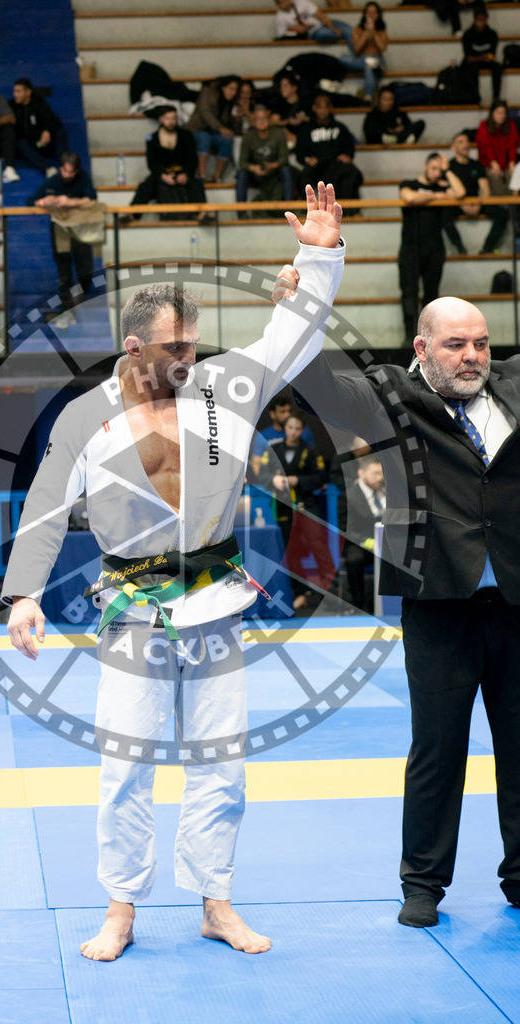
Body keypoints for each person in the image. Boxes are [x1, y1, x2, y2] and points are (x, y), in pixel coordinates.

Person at [2, 183, 345, 961]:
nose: (189, 358)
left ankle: (215, 902)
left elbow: (290, 340)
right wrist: (23, 592)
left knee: (221, 763)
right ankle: (120, 910)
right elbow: (48, 502)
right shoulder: (86, 415)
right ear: (133, 348)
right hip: (130, 603)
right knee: (124, 763)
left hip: (217, 597)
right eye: (174, 349)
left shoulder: (223, 389)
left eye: (193, 345)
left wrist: (317, 257)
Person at [287, 278, 520, 927]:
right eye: (455, 345)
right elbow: (316, 377)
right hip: (437, 597)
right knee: (436, 748)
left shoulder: (512, 383)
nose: (471, 355)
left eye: (479, 343)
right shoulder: (392, 395)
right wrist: (306, 294)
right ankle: (422, 885)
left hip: (515, 595)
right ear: (422, 347)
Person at [258, 412, 335, 609]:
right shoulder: (273, 450)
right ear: (285, 428)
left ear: (302, 431)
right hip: (283, 507)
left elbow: (320, 478)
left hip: (306, 505)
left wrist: (297, 481)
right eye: (290, 427)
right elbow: (263, 476)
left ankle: (331, 592)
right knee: (289, 551)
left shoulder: (310, 451)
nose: (293, 432)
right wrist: (273, 480)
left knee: (318, 546)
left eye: (297, 429)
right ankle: (300, 593)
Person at [398, 152, 465, 342]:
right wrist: (438, 195)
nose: (436, 173)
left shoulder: (443, 184)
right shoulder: (409, 183)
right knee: (409, 294)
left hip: (435, 248)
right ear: (425, 166)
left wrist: (448, 169)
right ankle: (408, 339)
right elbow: (409, 198)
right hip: (410, 248)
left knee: (432, 296)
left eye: (439, 169)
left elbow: (460, 193)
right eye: (434, 168)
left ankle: (429, 339)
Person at [28, 151, 98, 330]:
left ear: (76, 171)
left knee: (86, 268)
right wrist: (43, 202)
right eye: (65, 171)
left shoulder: (83, 177)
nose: (68, 175)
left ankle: (80, 298)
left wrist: (69, 201)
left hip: (80, 229)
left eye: (71, 172)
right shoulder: (52, 181)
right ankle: (67, 310)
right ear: (60, 169)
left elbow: (92, 199)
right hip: (59, 230)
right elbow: (31, 200)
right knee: (64, 272)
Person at [125, 106, 207, 221]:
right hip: (162, 173)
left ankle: (203, 213)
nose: (171, 122)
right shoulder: (153, 138)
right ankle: (132, 214)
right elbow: (152, 163)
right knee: (146, 185)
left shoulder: (186, 135)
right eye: (168, 119)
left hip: (183, 172)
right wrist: (163, 175)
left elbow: (192, 159)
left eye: (173, 118)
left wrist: (186, 174)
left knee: (196, 183)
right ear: (161, 119)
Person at [443, 131, 508, 255]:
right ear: (453, 147)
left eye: (467, 142)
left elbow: (485, 190)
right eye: (461, 142)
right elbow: (446, 190)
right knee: (444, 215)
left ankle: (487, 248)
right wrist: (462, 204)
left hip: (476, 202)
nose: (465, 145)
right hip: (457, 203)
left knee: (503, 213)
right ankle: (460, 248)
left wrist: (479, 203)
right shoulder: (449, 167)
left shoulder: (477, 165)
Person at [294, 93, 363, 209]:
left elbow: (349, 148)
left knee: (350, 173)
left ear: (330, 108)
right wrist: (307, 159)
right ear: (314, 108)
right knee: (304, 177)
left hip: (335, 166)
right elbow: (299, 153)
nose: (323, 111)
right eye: (320, 107)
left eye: (326, 107)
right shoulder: (306, 129)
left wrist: (347, 156)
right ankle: (306, 210)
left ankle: (349, 210)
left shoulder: (340, 128)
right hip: (315, 167)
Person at [337, 455, 384, 613]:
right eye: (375, 473)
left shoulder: (387, 492)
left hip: (387, 543)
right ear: (361, 474)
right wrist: (370, 542)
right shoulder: (348, 496)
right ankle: (359, 604)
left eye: (381, 473)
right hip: (361, 544)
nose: (380, 477)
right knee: (354, 559)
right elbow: (346, 530)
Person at [236, 105, 294, 214]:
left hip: (274, 169)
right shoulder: (248, 136)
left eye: (264, 118)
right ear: (253, 121)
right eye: (258, 118)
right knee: (241, 174)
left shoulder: (279, 133)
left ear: (269, 119)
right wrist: (254, 168)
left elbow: (284, 158)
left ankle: (289, 208)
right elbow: (242, 162)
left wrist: (271, 166)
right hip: (255, 171)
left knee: (286, 170)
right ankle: (241, 211)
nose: (261, 121)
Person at [186, 76, 240, 183]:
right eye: (231, 88)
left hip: (214, 133)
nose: (233, 92)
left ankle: (217, 177)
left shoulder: (232, 103)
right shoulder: (207, 92)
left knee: (228, 140)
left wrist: (237, 118)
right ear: (223, 87)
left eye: (235, 90)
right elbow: (205, 113)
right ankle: (201, 175)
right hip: (196, 130)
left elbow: (231, 126)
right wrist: (219, 128)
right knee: (204, 138)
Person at [10, 78, 68, 177]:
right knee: (20, 143)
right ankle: (48, 169)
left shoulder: (39, 103)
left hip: (43, 143)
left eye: (18, 91)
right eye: (14, 91)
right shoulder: (12, 106)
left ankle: (65, 167)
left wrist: (47, 131)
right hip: (28, 147)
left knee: (60, 133)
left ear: (28, 92)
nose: (15, 94)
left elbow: (55, 121)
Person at [340, 1, 388, 104]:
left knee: (369, 69)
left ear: (378, 15)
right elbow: (356, 49)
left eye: (374, 13)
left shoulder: (382, 31)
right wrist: (366, 34)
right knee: (343, 58)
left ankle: (368, 97)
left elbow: (382, 48)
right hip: (361, 59)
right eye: (368, 13)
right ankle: (369, 64)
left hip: (377, 58)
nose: (371, 15)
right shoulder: (357, 30)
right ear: (364, 14)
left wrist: (374, 33)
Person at [475, 100, 518, 196]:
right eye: (499, 113)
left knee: (514, 175)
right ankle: (503, 205)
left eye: (504, 113)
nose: (502, 116)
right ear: (492, 113)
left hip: (506, 163)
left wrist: (512, 162)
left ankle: (514, 204)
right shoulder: (484, 125)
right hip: (489, 164)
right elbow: (485, 147)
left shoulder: (510, 125)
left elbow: (512, 145)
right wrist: (493, 162)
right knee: (495, 176)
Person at [461, 6, 502, 104]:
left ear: (486, 20)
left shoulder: (492, 34)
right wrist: (481, 58)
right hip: (473, 62)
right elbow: (468, 57)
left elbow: (492, 54)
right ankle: (474, 96)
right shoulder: (468, 35)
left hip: (485, 61)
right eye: (479, 20)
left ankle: (496, 97)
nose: (481, 23)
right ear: (475, 20)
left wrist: (488, 58)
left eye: (483, 20)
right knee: (470, 68)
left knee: (498, 67)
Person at [273, 0, 353, 49]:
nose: (286, 3)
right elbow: (281, 37)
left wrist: (332, 27)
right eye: (282, 2)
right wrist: (294, 29)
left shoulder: (302, 2)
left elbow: (319, 15)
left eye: (287, 0)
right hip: (314, 32)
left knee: (352, 30)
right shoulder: (280, 17)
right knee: (346, 33)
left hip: (325, 24)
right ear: (277, 5)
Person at [267, 74, 308, 152]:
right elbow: (274, 122)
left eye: (285, 86)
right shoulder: (278, 103)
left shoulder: (304, 103)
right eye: (281, 86)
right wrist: (288, 121)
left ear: (294, 87)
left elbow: (314, 119)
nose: (282, 88)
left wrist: (304, 118)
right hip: (285, 136)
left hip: (302, 134)